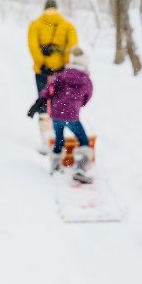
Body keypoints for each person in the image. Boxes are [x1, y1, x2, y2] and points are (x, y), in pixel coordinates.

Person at [28, 46, 94, 183]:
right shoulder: (85, 79)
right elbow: (88, 96)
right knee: (83, 141)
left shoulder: (62, 75)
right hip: (72, 116)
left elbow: (49, 89)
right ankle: (80, 168)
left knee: (59, 140)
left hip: (56, 114)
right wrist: (79, 104)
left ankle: (55, 166)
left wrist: (42, 99)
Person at [27, 0, 78, 153]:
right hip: (61, 72)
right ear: (56, 8)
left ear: (45, 8)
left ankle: (45, 140)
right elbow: (73, 47)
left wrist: (42, 63)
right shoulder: (68, 26)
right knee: (59, 104)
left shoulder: (35, 25)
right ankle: (59, 139)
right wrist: (64, 65)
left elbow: (33, 46)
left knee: (44, 101)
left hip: (42, 71)